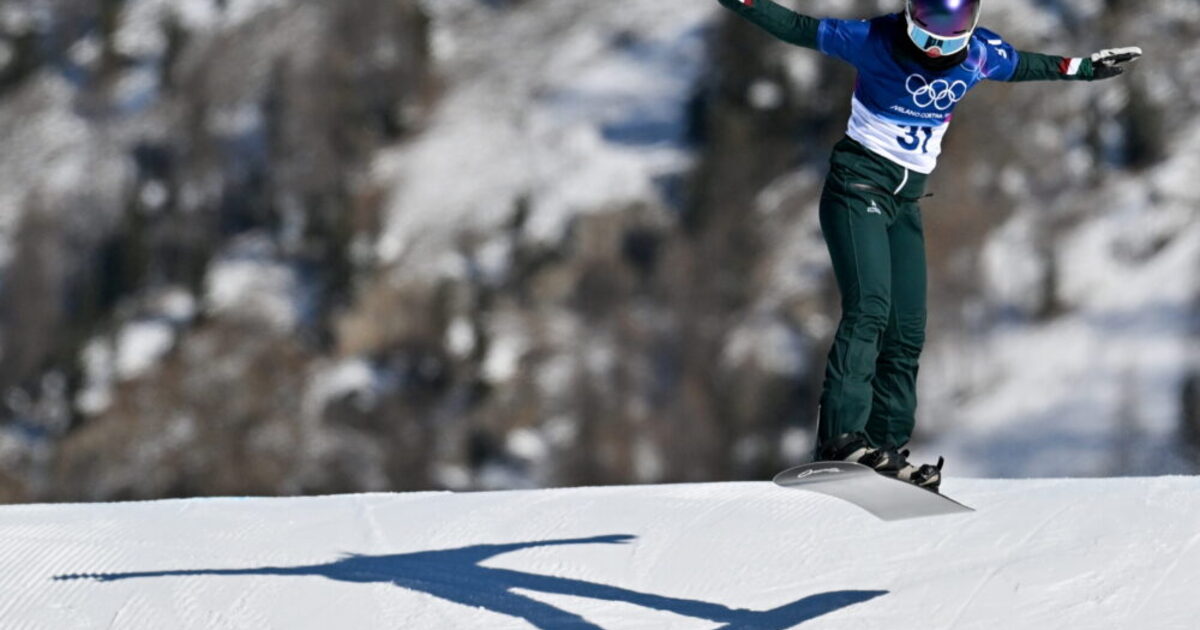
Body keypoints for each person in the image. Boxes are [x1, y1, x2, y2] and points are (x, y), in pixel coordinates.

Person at [715, 0, 1141, 491]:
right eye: (932, 19)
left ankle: (885, 450)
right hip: (858, 189)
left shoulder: (979, 54)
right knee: (869, 309)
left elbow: (1025, 64)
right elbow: (795, 26)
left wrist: (1085, 69)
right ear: (911, 12)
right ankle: (840, 440)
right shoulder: (875, 40)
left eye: (954, 22)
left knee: (907, 330)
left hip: (905, 204)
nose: (941, 36)